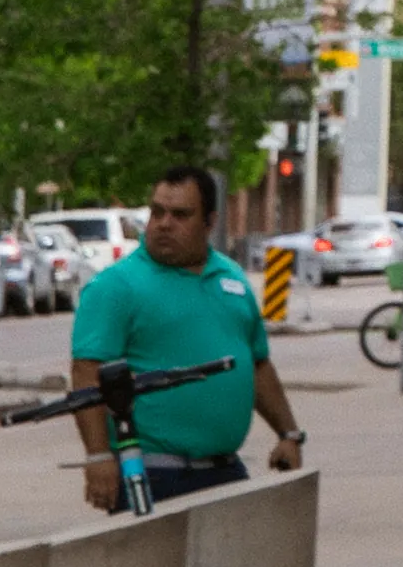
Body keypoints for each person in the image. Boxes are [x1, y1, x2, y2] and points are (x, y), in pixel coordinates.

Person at [67, 163, 311, 513]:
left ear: (209, 222)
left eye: (181, 214)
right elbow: (86, 373)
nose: (165, 224)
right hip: (151, 474)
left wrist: (288, 434)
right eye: (157, 212)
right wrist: (99, 455)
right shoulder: (115, 287)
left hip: (225, 470)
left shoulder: (232, 279)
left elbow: (256, 364)